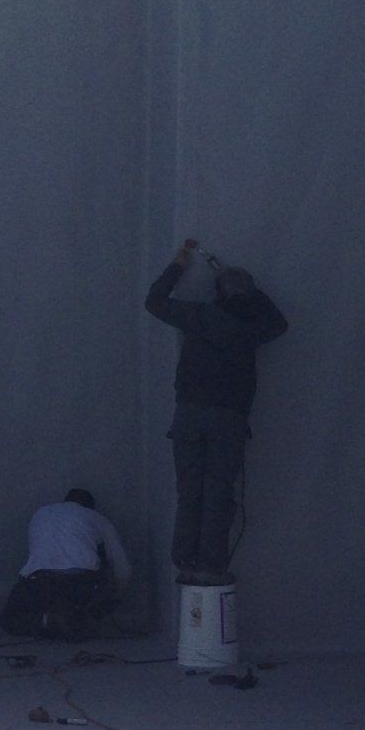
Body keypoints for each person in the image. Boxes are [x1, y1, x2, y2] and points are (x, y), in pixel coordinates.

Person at [145, 241, 287, 581]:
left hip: (190, 415)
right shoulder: (252, 329)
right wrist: (251, 293)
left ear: (216, 293)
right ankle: (211, 563)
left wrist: (178, 265)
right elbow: (280, 324)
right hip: (229, 418)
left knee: (189, 489)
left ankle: (184, 560)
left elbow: (154, 302)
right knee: (220, 492)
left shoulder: (197, 316)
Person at [0, 488, 132, 639]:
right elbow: (123, 570)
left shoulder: (42, 513)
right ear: (89, 506)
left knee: (9, 621)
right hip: (81, 583)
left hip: (40, 581)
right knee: (82, 607)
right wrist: (112, 598)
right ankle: (77, 622)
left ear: (65, 501)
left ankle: (46, 621)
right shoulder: (97, 518)